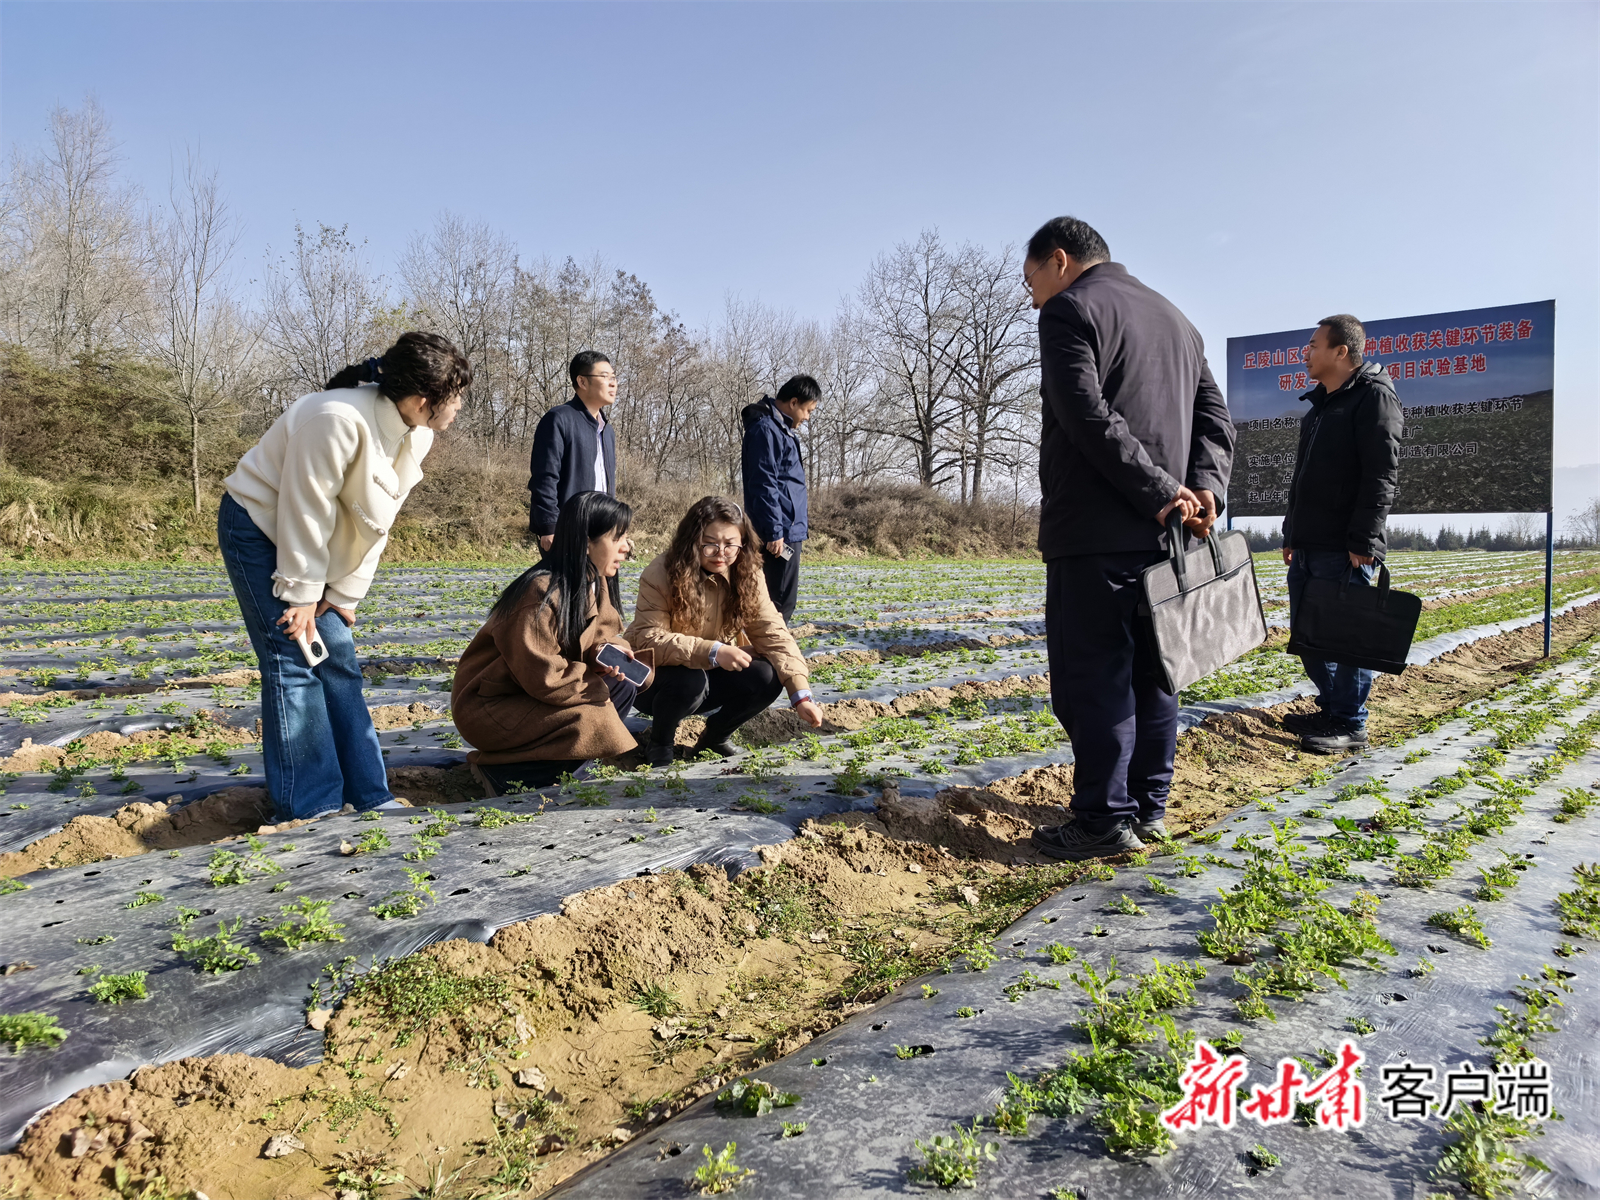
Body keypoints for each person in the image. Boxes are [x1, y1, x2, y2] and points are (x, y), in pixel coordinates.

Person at [1020, 216, 1235, 862]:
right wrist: (1203, 493)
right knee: (1155, 672)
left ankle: (1103, 819)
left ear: (1059, 260)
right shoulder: (1178, 321)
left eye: (1031, 280)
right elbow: (1215, 422)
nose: (1032, 296)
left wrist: (1163, 490)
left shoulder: (1068, 312)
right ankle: (1149, 810)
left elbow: (1087, 417)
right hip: (1169, 539)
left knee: (1094, 678)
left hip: (1094, 532)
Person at [219, 331, 470, 821]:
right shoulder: (335, 419)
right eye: (455, 397)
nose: (458, 407)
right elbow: (304, 509)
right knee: (293, 658)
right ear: (424, 400)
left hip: (313, 544)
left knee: (337, 657)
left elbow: (377, 521)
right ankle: (311, 806)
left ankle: (370, 794)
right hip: (261, 527)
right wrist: (302, 595)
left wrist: (344, 594)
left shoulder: (416, 433)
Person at [452, 491, 643, 796]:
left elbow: (603, 634)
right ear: (586, 542)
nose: (627, 547)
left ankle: (545, 770)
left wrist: (604, 655)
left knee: (621, 687)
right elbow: (544, 675)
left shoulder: (595, 583)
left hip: (530, 697)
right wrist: (596, 689)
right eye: (618, 537)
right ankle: (505, 773)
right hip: (492, 706)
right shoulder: (540, 592)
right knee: (594, 716)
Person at [626, 496, 824, 767]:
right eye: (710, 543)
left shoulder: (747, 574)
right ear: (692, 541)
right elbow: (650, 639)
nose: (721, 553)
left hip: (707, 669)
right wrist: (715, 651)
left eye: (731, 544)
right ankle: (660, 743)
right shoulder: (661, 572)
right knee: (690, 681)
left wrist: (801, 694)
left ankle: (715, 738)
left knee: (767, 675)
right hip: (654, 680)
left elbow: (773, 633)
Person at [1280, 314, 1401, 754]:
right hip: (1310, 543)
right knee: (1308, 635)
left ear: (1340, 352)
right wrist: (1292, 531)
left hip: (1344, 547)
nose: (1306, 354)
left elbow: (1379, 475)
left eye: (1313, 345)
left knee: (1348, 638)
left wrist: (1364, 540)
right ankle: (1332, 709)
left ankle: (1351, 723)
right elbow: (1302, 479)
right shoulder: (1318, 408)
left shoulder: (1373, 399)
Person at [741, 374, 820, 621]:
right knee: (778, 601)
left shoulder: (781, 429)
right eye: (807, 410)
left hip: (787, 530)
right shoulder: (767, 430)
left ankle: (772, 652)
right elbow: (764, 484)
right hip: (779, 533)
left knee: (782, 599)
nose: (807, 417)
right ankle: (772, 655)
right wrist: (774, 531)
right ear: (793, 402)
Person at [528, 350, 617, 553]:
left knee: (602, 586)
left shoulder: (607, 430)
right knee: (569, 585)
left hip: (603, 532)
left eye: (613, 377)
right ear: (582, 382)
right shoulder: (559, 419)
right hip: (568, 531)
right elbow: (545, 478)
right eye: (604, 376)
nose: (613, 383)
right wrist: (549, 526)